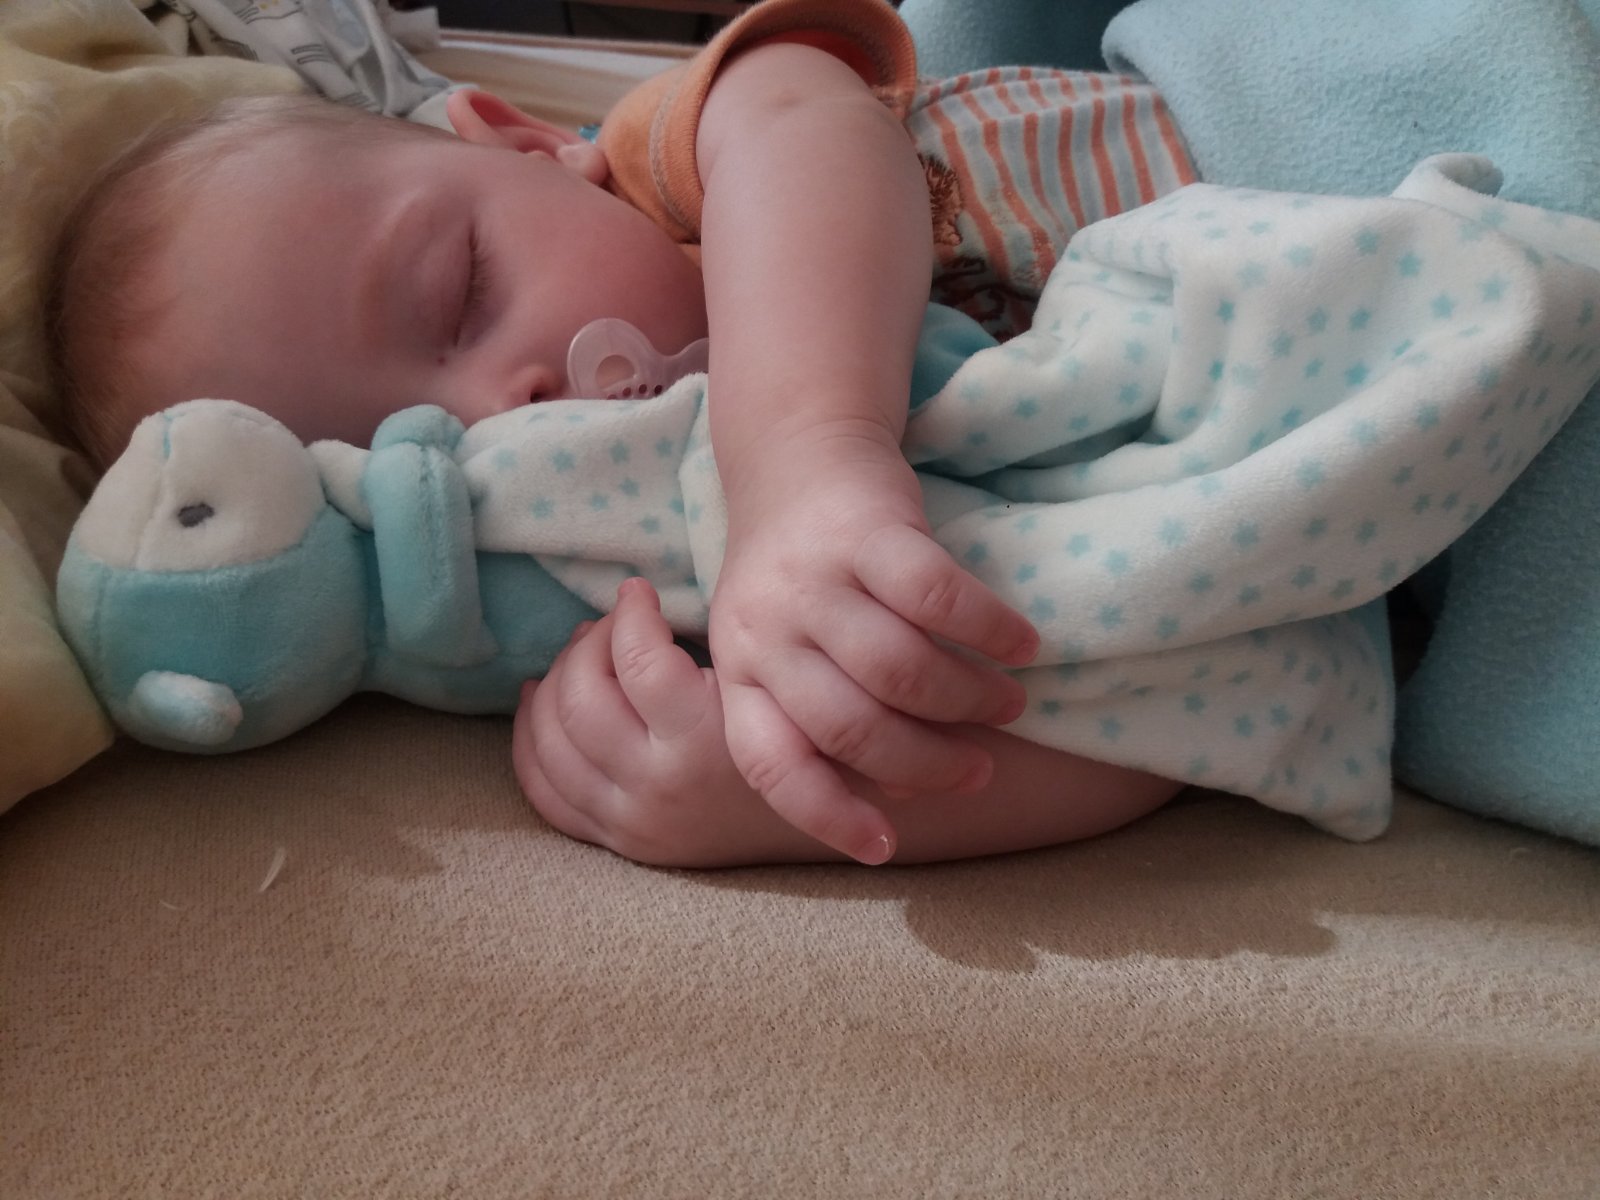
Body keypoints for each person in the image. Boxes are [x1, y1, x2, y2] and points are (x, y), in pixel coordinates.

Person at [48, 0, 1192, 867]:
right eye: (415, 450)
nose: (509, 409)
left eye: (462, 292)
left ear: (526, 146)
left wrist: (803, 454)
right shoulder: (641, 583)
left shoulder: (672, 159)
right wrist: (774, 786)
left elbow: (806, 116)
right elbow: (1162, 714)